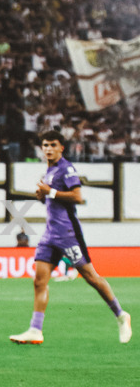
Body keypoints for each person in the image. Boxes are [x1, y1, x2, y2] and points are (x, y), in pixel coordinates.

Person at [10, 130, 131, 345]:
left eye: (52, 145)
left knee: (91, 277)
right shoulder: (49, 171)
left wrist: (51, 193)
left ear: (61, 148)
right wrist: (42, 197)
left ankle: (121, 315)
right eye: (45, 145)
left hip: (67, 234)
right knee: (39, 281)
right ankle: (35, 330)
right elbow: (52, 199)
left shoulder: (67, 169)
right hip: (50, 235)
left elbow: (77, 196)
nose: (48, 149)